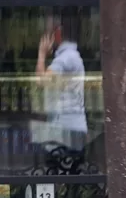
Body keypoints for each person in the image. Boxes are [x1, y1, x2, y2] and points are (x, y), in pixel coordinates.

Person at [37, 10, 88, 151]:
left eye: (49, 32)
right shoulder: (70, 56)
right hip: (71, 126)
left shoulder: (66, 58)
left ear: (58, 33)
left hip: (68, 128)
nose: (46, 37)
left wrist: (41, 55)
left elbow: (41, 82)